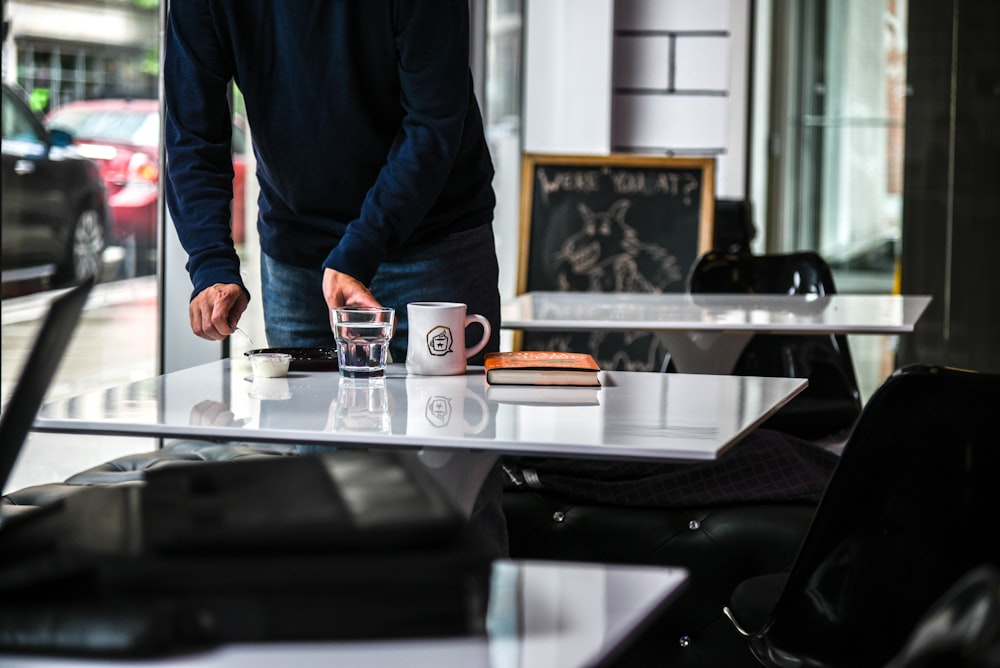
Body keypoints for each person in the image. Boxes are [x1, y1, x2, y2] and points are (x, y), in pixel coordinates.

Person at [163, 1, 501, 364]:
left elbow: (432, 124)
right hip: (297, 254)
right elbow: (194, 139)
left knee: (446, 416)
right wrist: (211, 263)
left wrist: (360, 249)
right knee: (298, 417)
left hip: (432, 243)